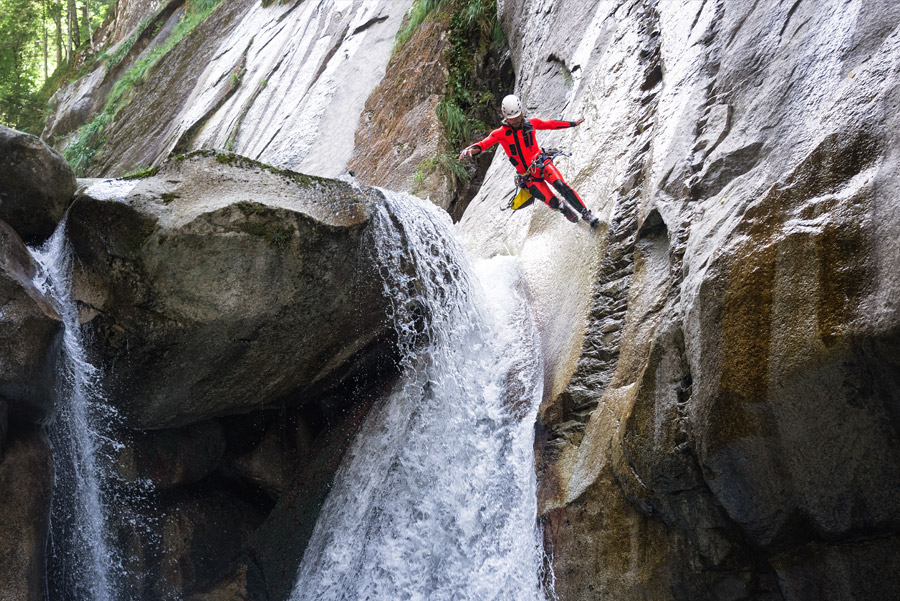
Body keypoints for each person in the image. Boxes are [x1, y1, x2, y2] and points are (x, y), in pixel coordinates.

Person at [459, 94, 599, 227]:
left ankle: (586, 214)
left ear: (521, 112)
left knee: (561, 185)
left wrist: (573, 123)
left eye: (517, 116)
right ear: (504, 115)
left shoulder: (532, 123)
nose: (515, 121)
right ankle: (562, 207)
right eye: (511, 118)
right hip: (528, 177)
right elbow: (483, 144)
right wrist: (468, 150)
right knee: (553, 203)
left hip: (541, 163)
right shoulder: (500, 134)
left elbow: (550, 124)